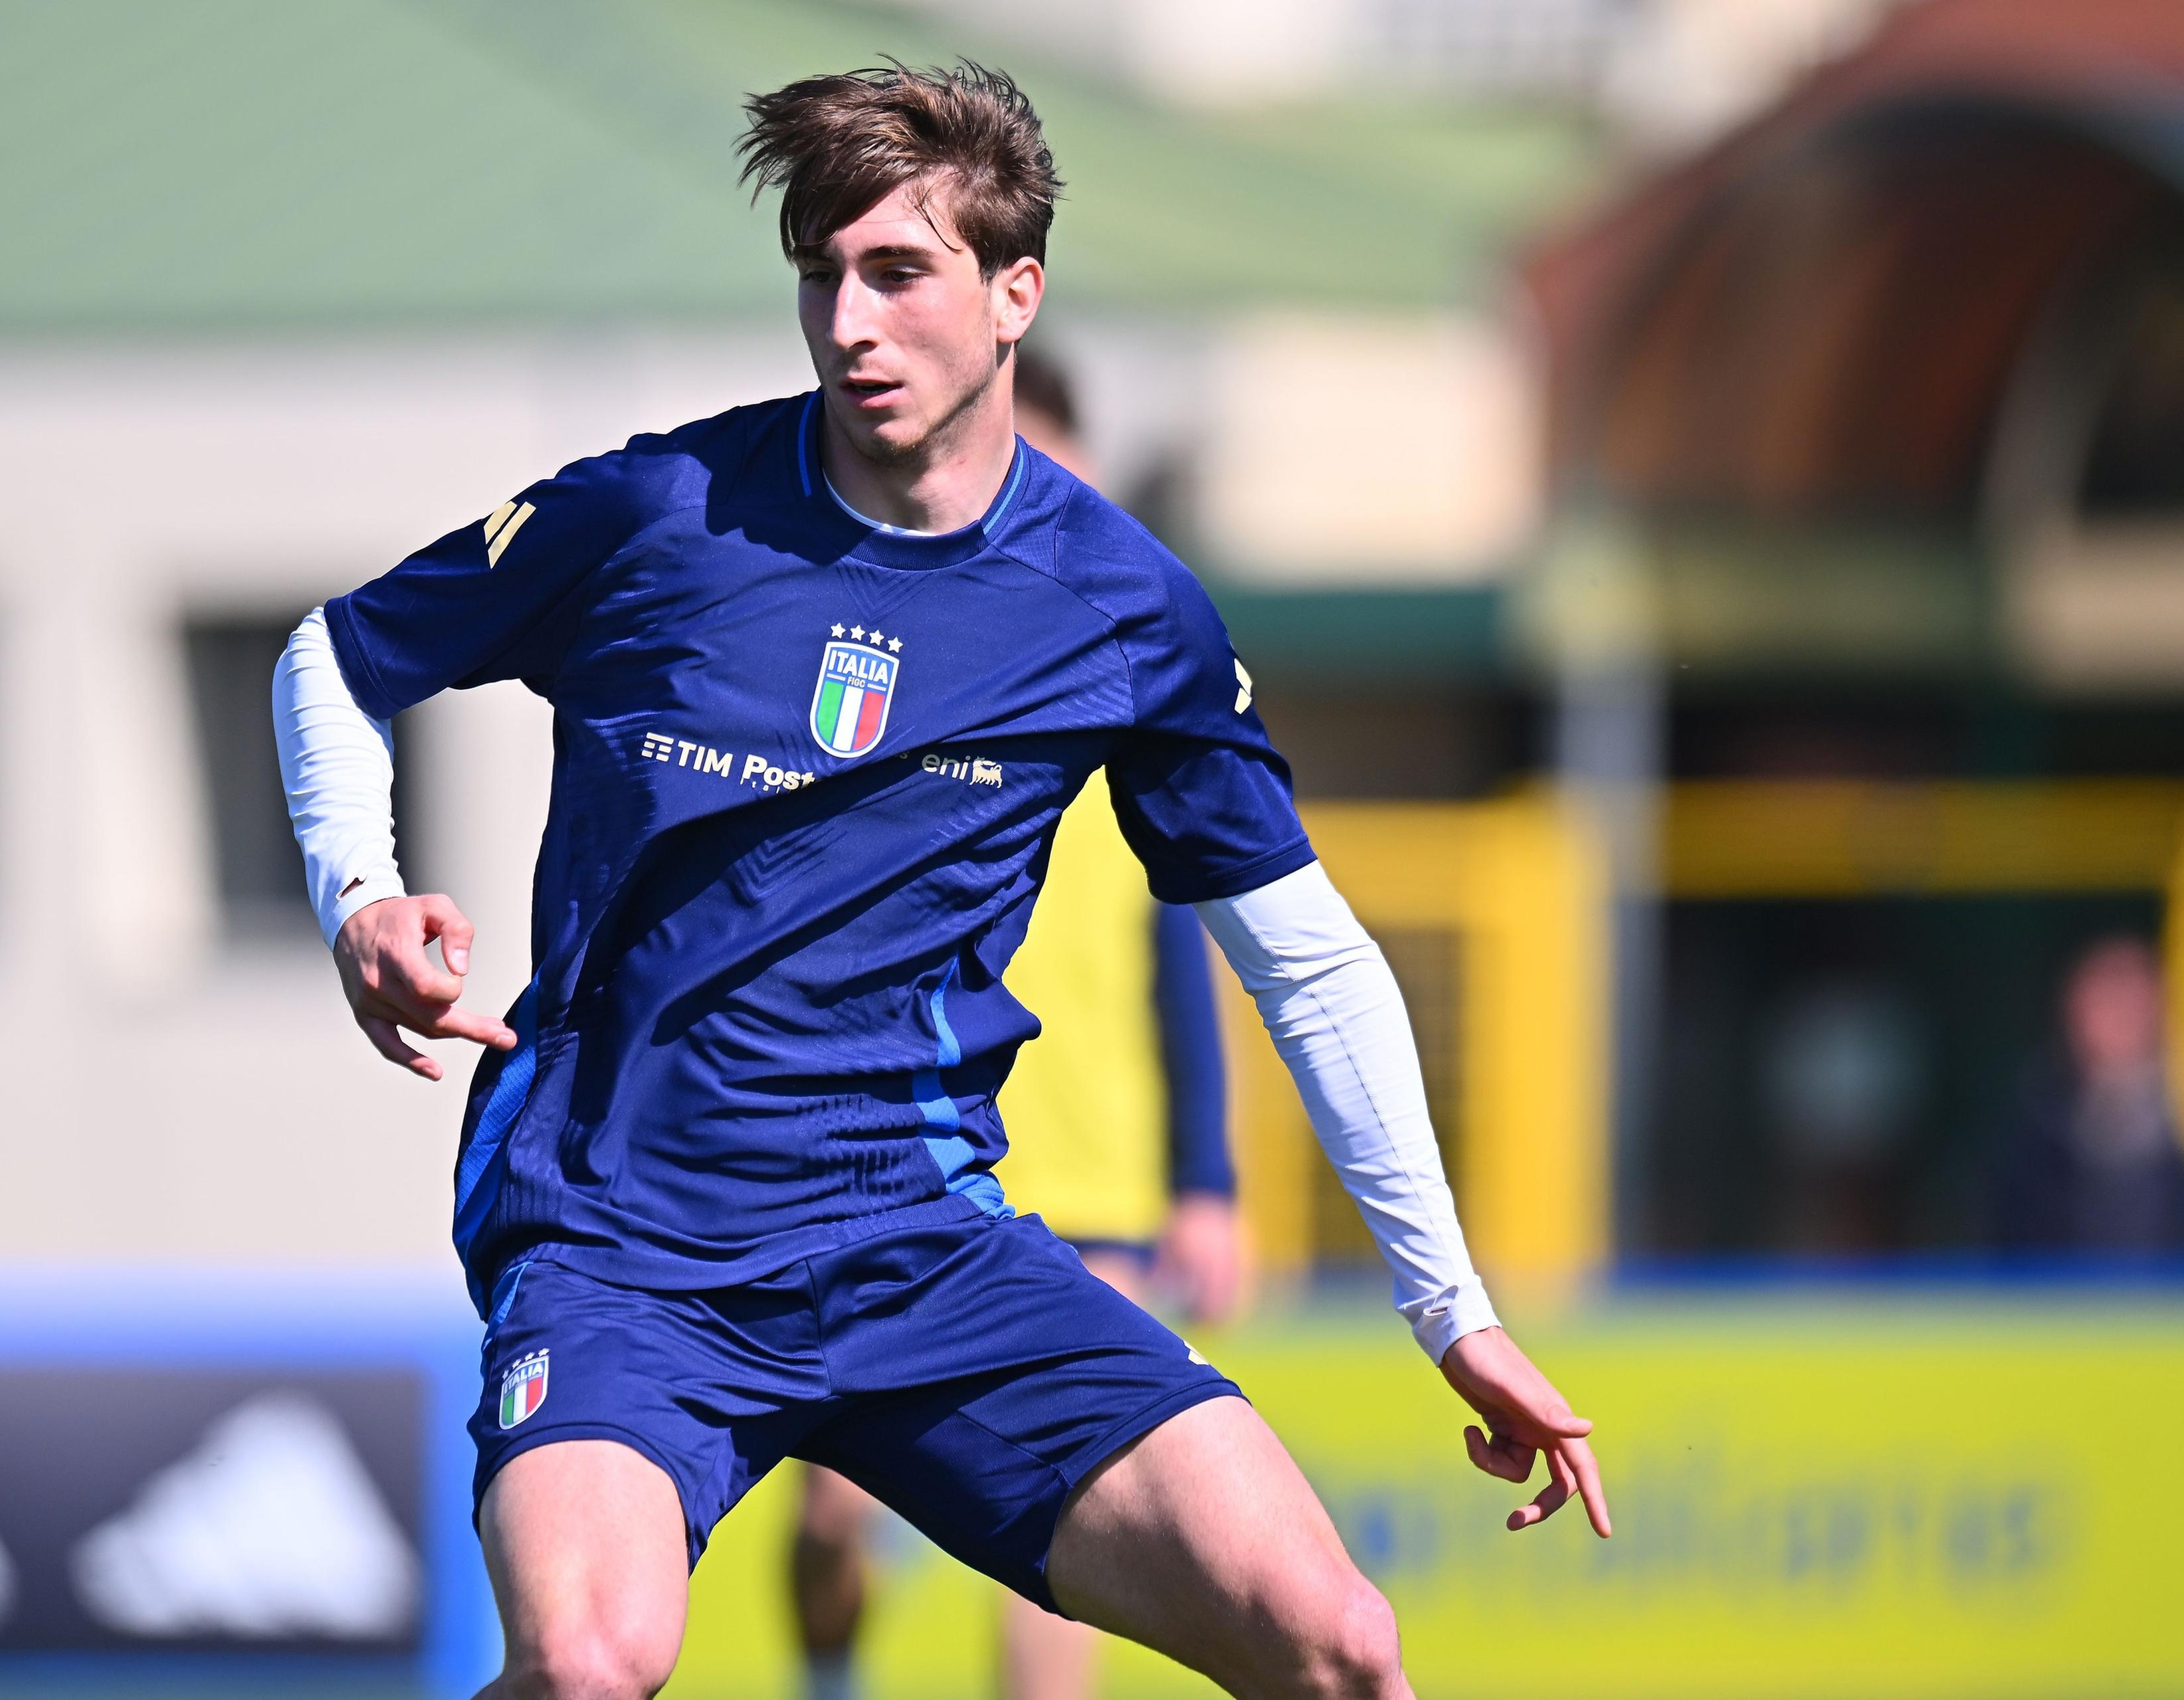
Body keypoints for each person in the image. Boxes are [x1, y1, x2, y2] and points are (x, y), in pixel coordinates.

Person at [274, 62, 1609, 1700]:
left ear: (1011, 295)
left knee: (1337, 1645)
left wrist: (1449, 1309)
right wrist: (359, 894)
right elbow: (332, 658)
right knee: (591, 1661)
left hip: (917, 1247)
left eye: (896, 271)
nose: (848, 321)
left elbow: (1305, 963)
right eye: (819, 271)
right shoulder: (654, 513)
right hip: (623, 1242)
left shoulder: (1122, 607)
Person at [787, 351, 1246, 1700]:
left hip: (1090, 1179)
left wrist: (1207, 1182)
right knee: (829, 1522)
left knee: (1071, 1520)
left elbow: (1182, 947)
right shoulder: (866, 684)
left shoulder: (1123, 696)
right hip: (884, 1171)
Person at [1994, 935, 2184, 1254]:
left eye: (2133, 994)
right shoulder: (2034, 1122)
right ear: (2071, 1008)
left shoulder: (2174, 1117)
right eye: (2106, 996)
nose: (2122, 1014)